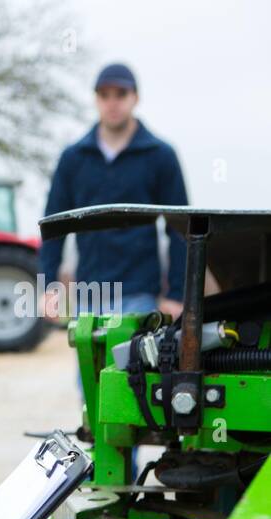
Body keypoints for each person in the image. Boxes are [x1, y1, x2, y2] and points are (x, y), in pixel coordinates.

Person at [40, 63, 190, 325]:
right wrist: (48, 286)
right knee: (88, 367)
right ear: (95, 99)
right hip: (89, 294)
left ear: (135, 98)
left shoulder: (160, 155)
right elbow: (54, 225)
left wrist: (177, 294)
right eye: (104, 95)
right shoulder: (73, 158)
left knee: (132, 365)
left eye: (121, 94)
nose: (112, 103)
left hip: (140, 293)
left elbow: (180, 228)